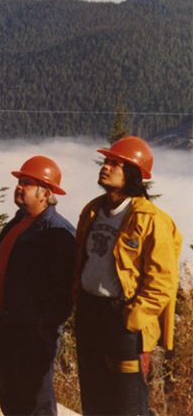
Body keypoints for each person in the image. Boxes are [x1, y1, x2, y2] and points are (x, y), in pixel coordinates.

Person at [74, 136, 182, 416]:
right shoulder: (93, 210)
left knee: (127, 402)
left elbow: (163, 281)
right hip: (90, 312)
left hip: (122, 319)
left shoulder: (151, 220)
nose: (105, 167)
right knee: (94, 397)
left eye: (115, 163)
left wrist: (132, 319)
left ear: (133, 174)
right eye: (106, 161)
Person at [0, 156, 76, 415]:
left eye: (27, 183)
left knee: (35, 400)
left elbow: (63, 291)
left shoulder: (58, 233)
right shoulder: (18, 222)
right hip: (8, 323)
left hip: (34, 332)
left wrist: (42, 326)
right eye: (20, 182)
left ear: (45, 193)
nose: (19, 187)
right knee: (11, 396)